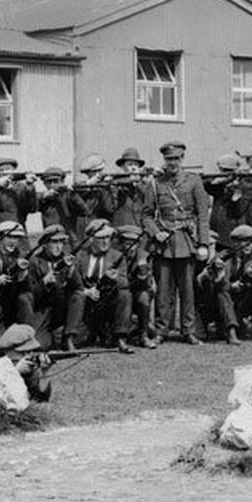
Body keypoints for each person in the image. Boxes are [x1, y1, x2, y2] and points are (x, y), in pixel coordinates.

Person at [142, 140, 212, 345]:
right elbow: (146, 215)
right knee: (163, 289)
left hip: (186, 239)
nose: (172, 162)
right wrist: (156, 233)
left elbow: (202, 215)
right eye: (168, 159)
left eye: (176, 158)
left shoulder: (194, 181)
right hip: (164, 242)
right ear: (164, 160)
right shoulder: (155, 183)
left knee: (187, 289)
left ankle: (188, 331)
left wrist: (203, 244)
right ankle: (162, 330)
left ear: (182, 159)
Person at [64, 223, 133, 352]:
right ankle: (70, 339)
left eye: (108, 237)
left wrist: (115, 278)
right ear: (91, 239)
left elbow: (125, 282)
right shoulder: (80, 256)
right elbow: (70, 281)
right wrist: (85, 291)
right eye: (101, 238)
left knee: (125, 294)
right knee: (77, 297)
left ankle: (121, 337)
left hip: (106, 300)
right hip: (86, 300)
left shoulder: (117, 256)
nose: (106, 241)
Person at [0, 324, 51, 403]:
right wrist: (15, 372)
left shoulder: (28, 362)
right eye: (22, 352)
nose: (28, 355)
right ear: (8, 350)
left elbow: (39, 398)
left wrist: (45, 374)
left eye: (30, 351)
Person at [0, 158, 38, 228]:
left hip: (18, 229)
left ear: (14, 171)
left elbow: (31, 208)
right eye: (0, 170)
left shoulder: (21, 187)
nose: (5, 172)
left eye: (7, 169)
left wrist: (29, 185)